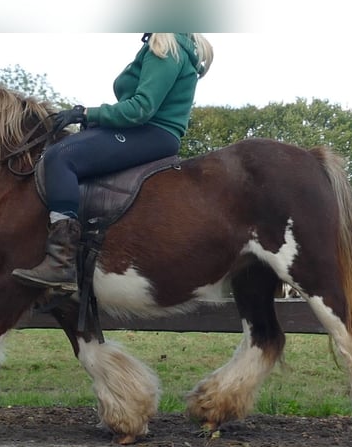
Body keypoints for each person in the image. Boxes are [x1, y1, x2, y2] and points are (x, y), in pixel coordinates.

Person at [11, 33, 214, 293]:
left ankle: (61, 262)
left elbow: (141, 108)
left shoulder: (166, 45)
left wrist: (86, 113)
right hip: (148, 131)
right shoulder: (173, 44)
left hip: (150, 133)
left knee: (61, 157)